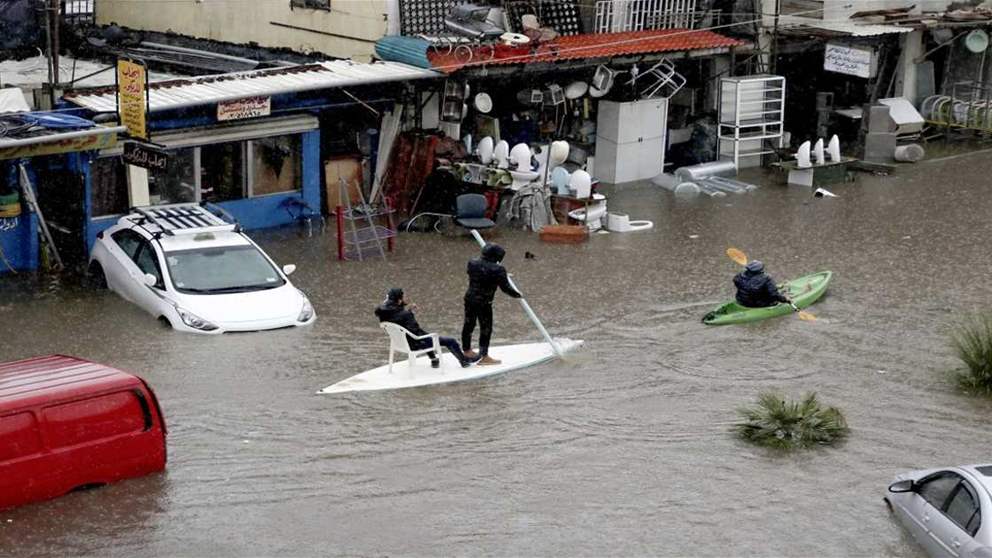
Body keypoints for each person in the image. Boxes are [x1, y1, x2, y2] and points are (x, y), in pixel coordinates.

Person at [374, 288, 475, 368]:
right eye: (403, 297)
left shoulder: (383, 314)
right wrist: (410, 314)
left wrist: (407, 311)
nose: (405, 298)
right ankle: (464, 361)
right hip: (415, 344)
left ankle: (434, 360)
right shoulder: (405, 315)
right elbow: (416, 332)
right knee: (450, 341)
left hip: (401, 343)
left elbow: (399, 320)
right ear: (399, 300)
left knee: (425, 335)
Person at [462, 243, 522, 365]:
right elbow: (506, 288)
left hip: (470, 298)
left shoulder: (472, 263)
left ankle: (467, 350)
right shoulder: (498, 269)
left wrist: (500, 276)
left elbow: (479, 274)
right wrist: (518, 295)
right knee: (486, 328)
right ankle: (484, 357)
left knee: (469, 324)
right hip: (484, 302)